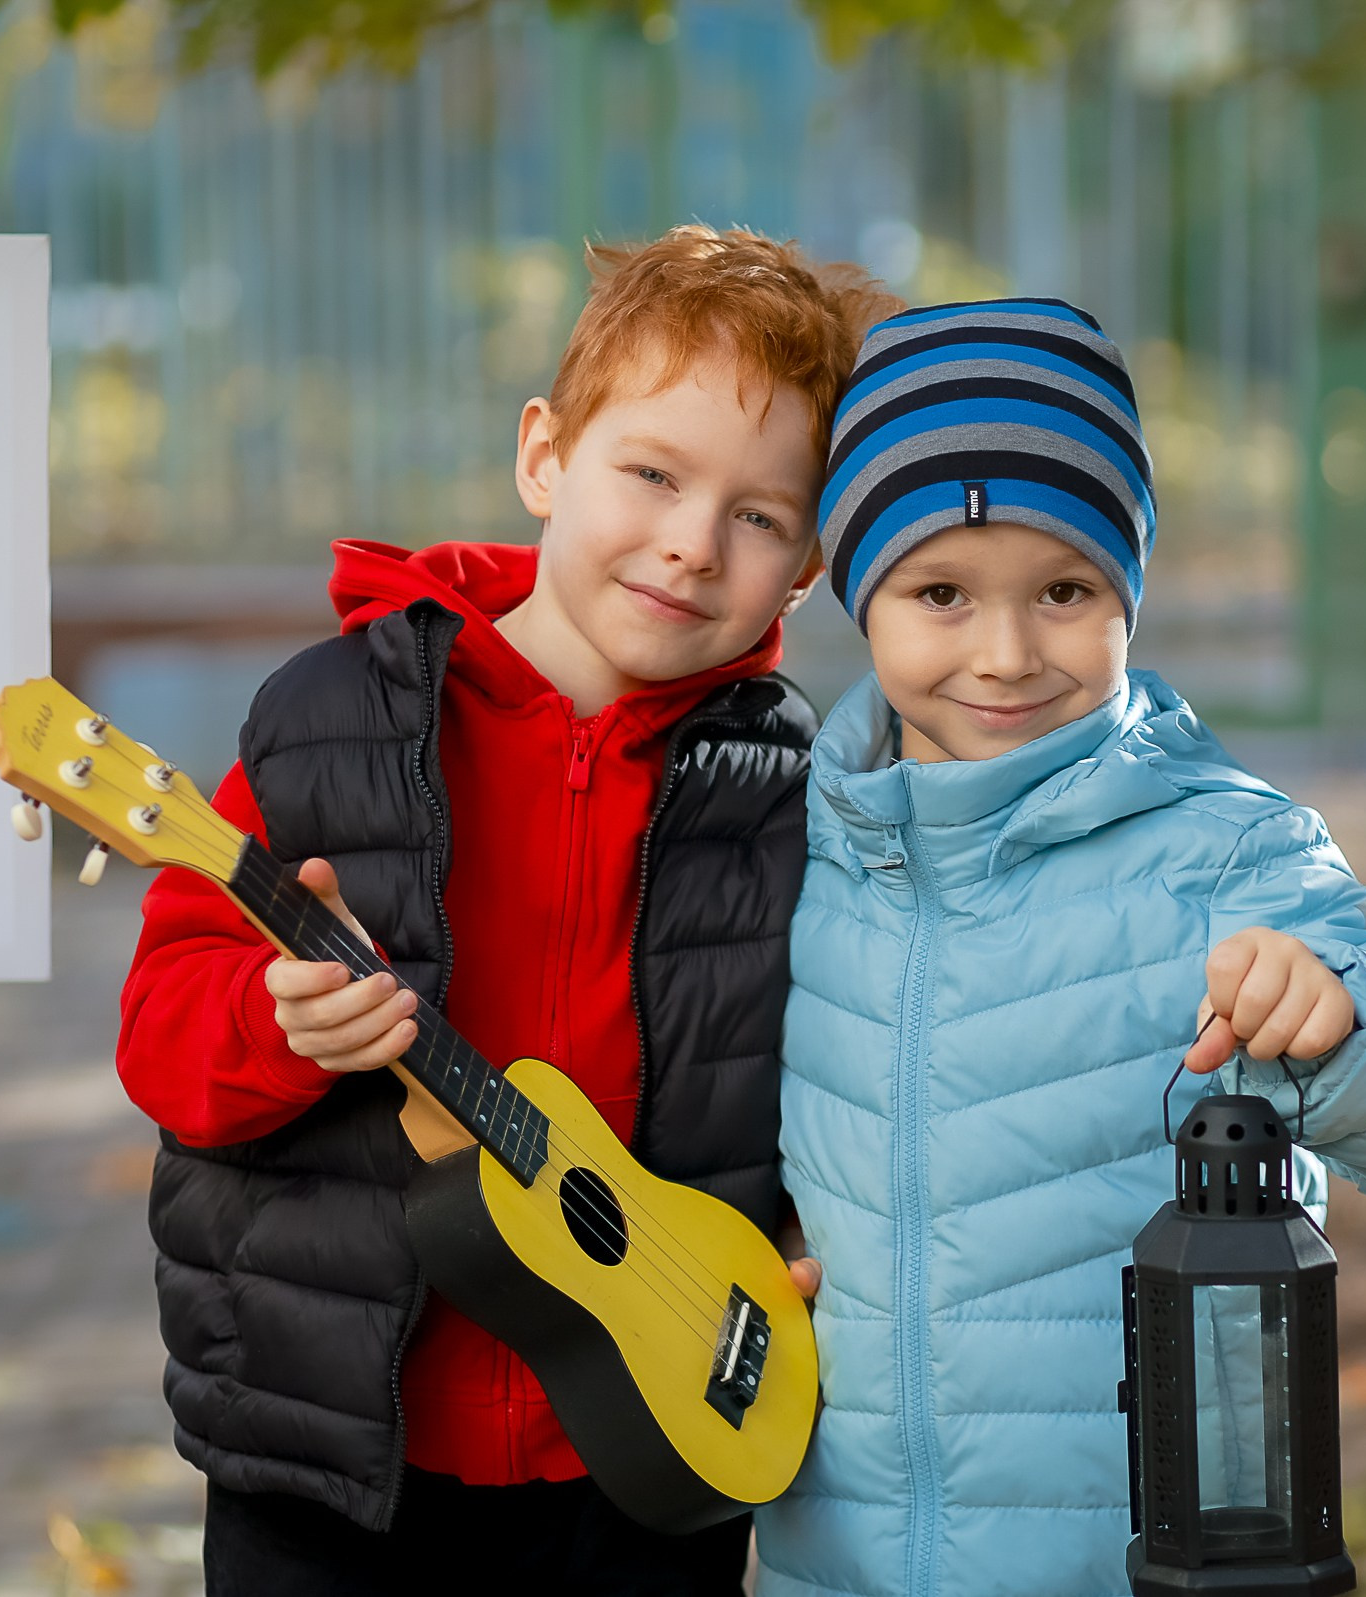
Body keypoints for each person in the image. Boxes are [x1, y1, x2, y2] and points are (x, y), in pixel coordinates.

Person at [114, 225, 900, 1596]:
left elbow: (833, 1073)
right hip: (340, 1463)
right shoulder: (326, 727)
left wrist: (805, 1241)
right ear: (544, 454)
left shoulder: (793, 789)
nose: (689, 544)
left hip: (653, 1447)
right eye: (651, 473)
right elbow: (164, 1040)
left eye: (759, 515)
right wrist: (274, 1018)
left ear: (807, 569)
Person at [754, 298, 1366, 1597]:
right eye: (940, 592)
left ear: (1128, 589)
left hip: (1139, 1570)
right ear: (858, 587)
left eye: (1064, 590)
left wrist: (1346, 1016)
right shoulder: (798, 844)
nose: (1006, 651)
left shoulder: (1222, 855)